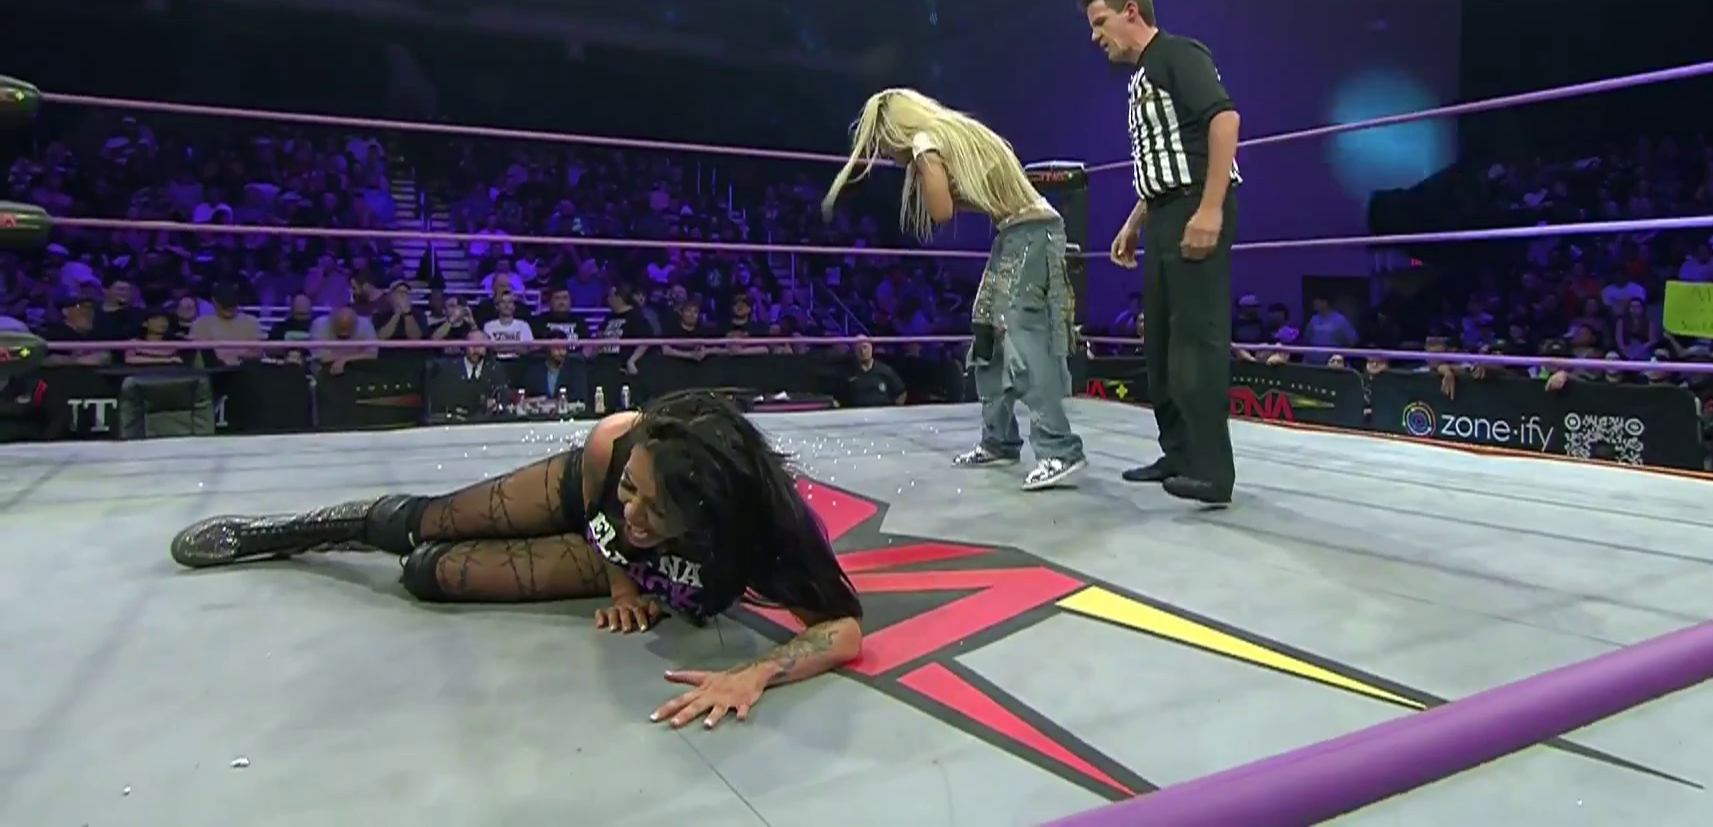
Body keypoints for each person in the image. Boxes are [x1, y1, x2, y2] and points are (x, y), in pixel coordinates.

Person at [168, 390, 865, 729]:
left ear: (706, 515)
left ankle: (381, 547)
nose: (637, 511)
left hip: (636, 561)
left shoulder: (768, 525)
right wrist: (623, 577)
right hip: (582, 504)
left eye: (658, 511)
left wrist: (755, 673)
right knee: (424, 521)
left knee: (429, 574)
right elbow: (604, 514)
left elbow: (843, 628)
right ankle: (290, 531)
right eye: (634, 490)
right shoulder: (619, 444)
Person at [823, 88, 1088, 490]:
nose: (885, 153)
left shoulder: (925, 143)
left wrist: (923, 168)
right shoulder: (945, 136)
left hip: (1033, 233)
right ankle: (999, 440)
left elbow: (941, 211)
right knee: (986, 334)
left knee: (1021, 337)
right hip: (1016, 233)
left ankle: (1060, 449)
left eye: (882, 143)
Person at [1081, 0, 1239, 505]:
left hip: (1195, 205)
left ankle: (1213, 472)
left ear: (1131, 11)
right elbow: (1164, 162)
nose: (1095, 37)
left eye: (1100, 22)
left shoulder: (1177, 54)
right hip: (1167, 211)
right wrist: (1134, 223)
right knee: (1161, 345)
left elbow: (1224, 120)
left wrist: (1210, 208)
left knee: (1197, 338)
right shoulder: (1142, 76)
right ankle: (1179, 452)